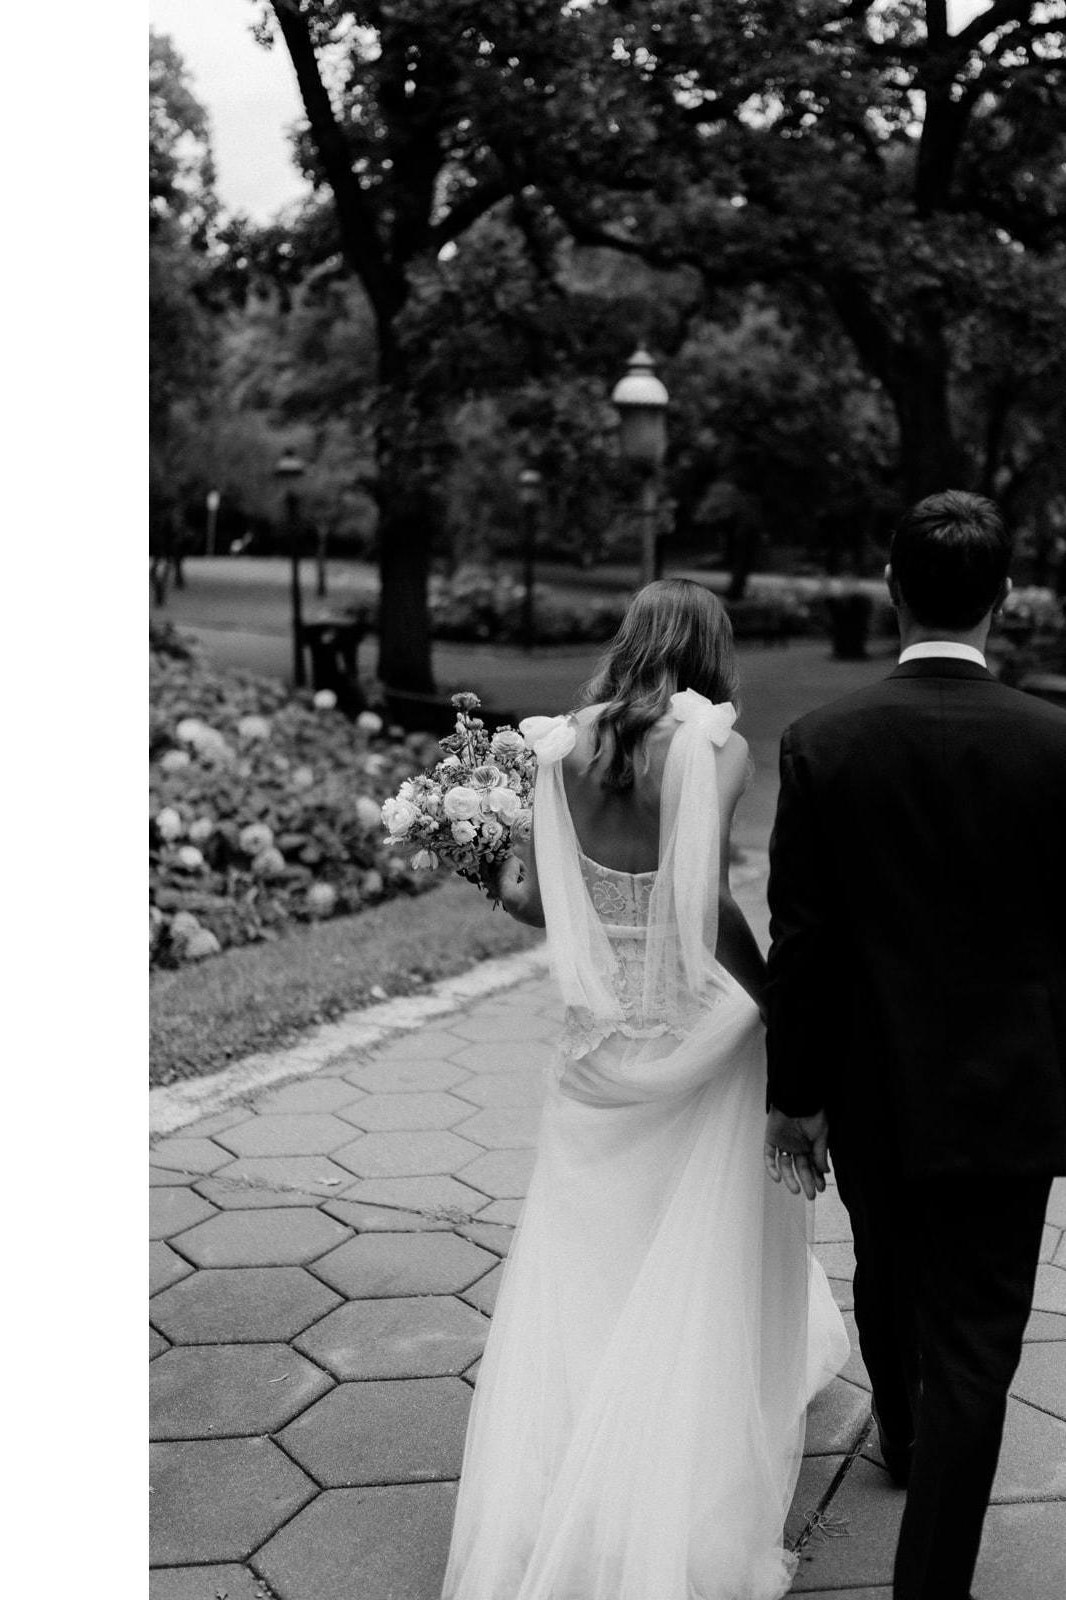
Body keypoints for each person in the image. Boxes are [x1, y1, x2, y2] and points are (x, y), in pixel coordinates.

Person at [762, 490, 1066, 1600]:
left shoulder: (822, 743)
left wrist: (796, 1095)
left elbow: (802, 941)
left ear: (892, 588)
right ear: (1005, 599)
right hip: (1011, 1090)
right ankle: (930, 1576)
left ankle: (900, 1425)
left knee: (886, 1268)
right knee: (978, 1345)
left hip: (872, 1082)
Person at [443, 578, 849, 1600]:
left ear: (628, 641)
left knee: (586, 1259)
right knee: (705, 1253)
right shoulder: (715, 749)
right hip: (692, 1039)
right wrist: (773, 1003)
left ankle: (564, 1477)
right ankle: (681, 1475)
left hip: (594, 1048)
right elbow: (703, 907)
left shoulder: (553, 749)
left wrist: (481, 861)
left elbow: (542, 905)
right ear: (712, 652)